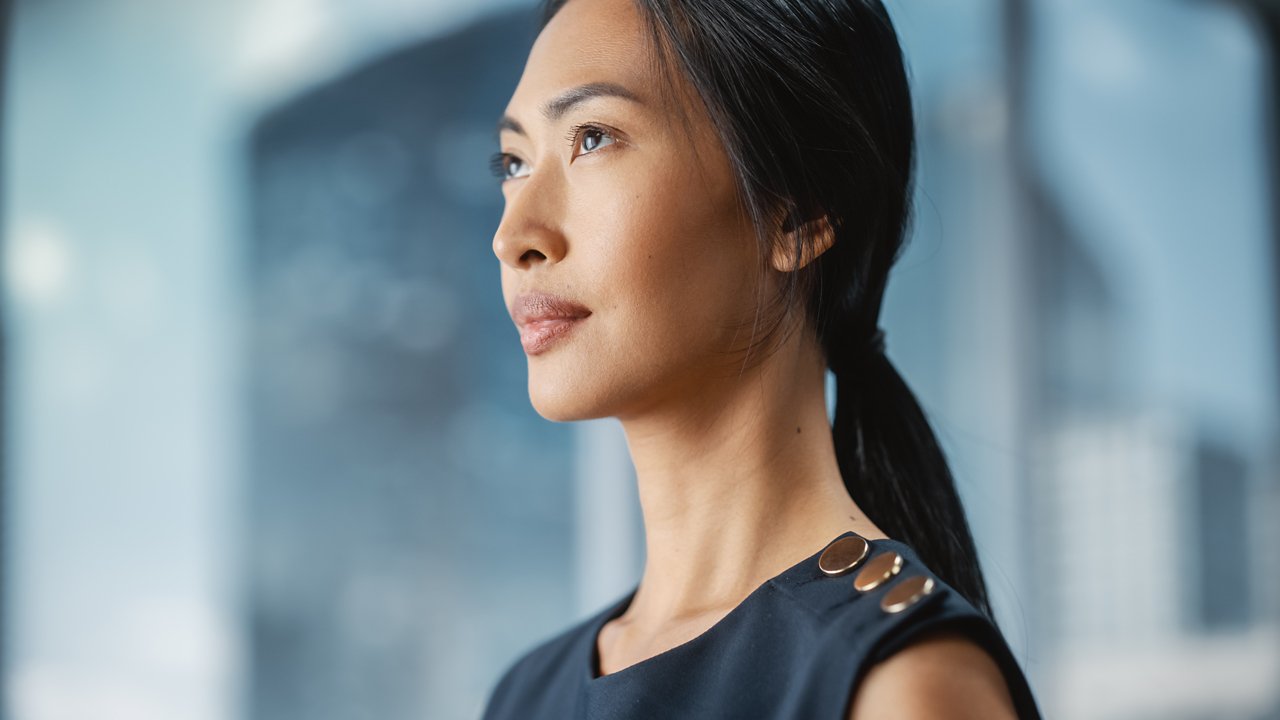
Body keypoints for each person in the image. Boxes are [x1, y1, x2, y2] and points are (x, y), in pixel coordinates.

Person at [480, 0, 1043, 716]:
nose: (514, 235)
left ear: (797, 213)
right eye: (514, 161)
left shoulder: (901, 686)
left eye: (593, 138)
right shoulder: (525, 696)